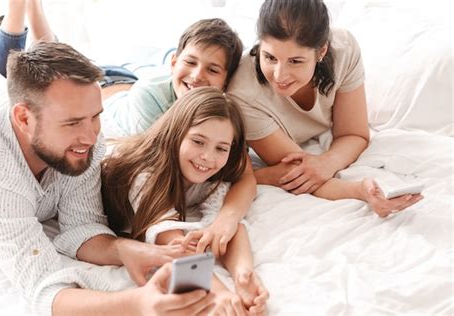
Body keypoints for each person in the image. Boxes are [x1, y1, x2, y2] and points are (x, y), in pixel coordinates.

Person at [0, 1, 214, 315]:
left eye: (95, 117)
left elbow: (81, 226)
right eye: (72, 122)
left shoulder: (83, 142)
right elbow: (43, 289)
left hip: (9, 115)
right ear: (24, 119)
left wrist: (126, 249)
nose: (91, 137)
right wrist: (138, 303)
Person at [226, 0, 423, 218]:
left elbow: (354, 134)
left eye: (296, 61)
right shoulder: (242, 93)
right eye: (270, 57)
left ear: (322, 52)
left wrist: (327, 163)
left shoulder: (344, 49)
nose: (280, 75)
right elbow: (298, 173)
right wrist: (362, 190)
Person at [102, 87, 269, 315]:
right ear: (177, 132)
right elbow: (171, 243)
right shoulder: (143, 175)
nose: (208, 157)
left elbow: (225, 227)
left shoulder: (210, 176)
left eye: (221, 148)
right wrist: (217, 293)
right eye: (198, 141)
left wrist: (243, 274)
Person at [102, 18, 257, 259]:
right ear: (174, 63)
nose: (197, 76)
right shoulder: (149, 100)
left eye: (212, 69)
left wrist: (226, 221)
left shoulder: (220, 114)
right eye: (190, 62)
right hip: (110, 86)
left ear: (226, 82)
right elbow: (153, 172)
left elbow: (242, 174)